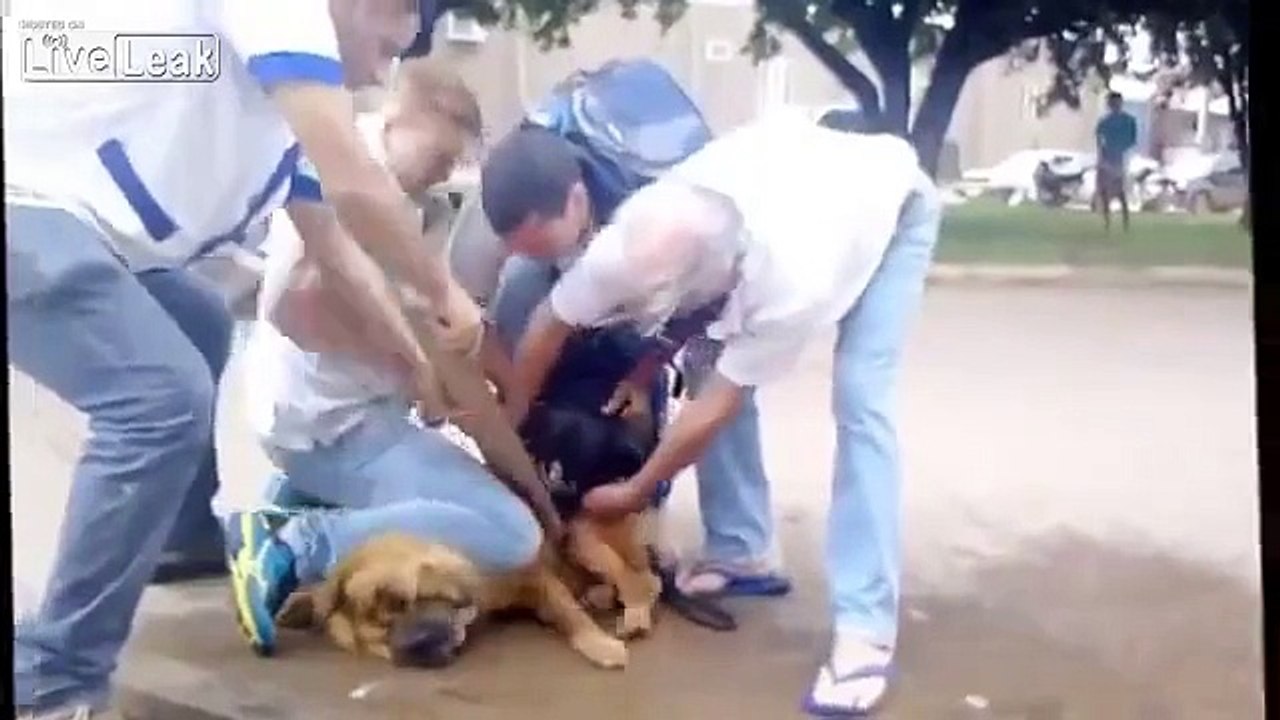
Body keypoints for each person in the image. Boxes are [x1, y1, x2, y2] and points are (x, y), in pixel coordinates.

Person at [6, 1, 482, 717]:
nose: (408, 43)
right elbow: (356, 184)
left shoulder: (285, 113)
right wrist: (442, 287)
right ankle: (53, 680)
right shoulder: (280, 9)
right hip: (23, 202)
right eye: (405, 19)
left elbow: (337, 248)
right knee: (160, 398)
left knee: (196, 319)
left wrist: (414, 360)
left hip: (84, 225)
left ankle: (180, 540)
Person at [507, 114, 942, 716]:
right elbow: (546, 327)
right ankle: (744, 552)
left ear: (725, 283)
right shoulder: (635, 236)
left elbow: (712, 409)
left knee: (859, 400)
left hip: (887, 209)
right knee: (708, 359)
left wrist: (635, 490)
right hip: (779, 188)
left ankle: (865, 631)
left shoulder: (790, 285)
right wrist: (509, 431)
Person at [228, 60, 544, 658]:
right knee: (512, 534)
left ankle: (301, 497)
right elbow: (293, 306)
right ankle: (294, 540)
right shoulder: (346, 184)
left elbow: (445, 319)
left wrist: (471, 370)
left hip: (323, 422)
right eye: (439, 157)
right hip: (335, 431)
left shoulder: (386, 198)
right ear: (398, 121)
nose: (444, 173)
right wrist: (411, 361)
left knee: (461, 478)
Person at [1095, 91, 1139, 233]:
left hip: (1111, 158)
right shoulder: (1128, 121)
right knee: (1118, 193)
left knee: (1109, 192)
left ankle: (1109, 223)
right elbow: (1132, 141)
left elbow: (1099, 141)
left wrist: (1104, 156)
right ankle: (1122, 223)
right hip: (1118, 158)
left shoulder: (1105, 121)